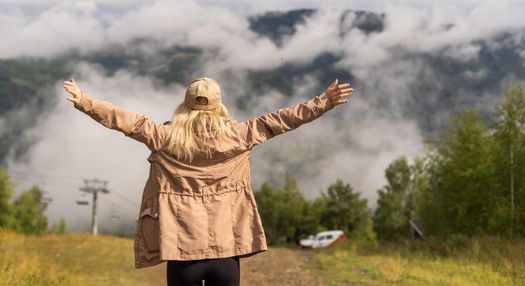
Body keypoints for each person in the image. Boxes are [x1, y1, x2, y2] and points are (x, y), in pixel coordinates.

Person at [63, 77, 353, 286]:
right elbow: (281, 120)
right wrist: (323, 102)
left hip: (182, 252)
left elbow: (125, 120)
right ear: (219, 106)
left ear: (184, 106)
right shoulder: (239, 135)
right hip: (226, 253)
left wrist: (84, 101)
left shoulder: (163, 137)